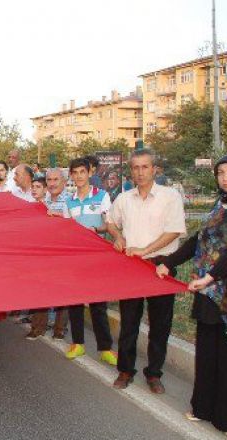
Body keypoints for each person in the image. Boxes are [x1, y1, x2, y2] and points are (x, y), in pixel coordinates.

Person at [156, 153, 227, 436]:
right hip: (208, 292)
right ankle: (204, 407)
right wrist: (168, 262)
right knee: (208, 351)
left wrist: (209, 276)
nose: (226, 177)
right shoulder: (220, 203)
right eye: (221, 172)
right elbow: (198, 241)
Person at [106, 149, 186, 394]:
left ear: (154, 170)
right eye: (135, 168)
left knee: (160, 324)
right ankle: (125, 370)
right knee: (129, 321)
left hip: (161, 264)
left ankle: (154, 374)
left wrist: (146, 249)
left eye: (145, 167)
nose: (140, 172)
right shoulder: (124, 198)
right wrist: (118, 237)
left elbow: (174, 231)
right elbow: (110, 222)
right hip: (132, 265)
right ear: (130, 171)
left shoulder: (170, 196)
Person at [64, 158, 117, 366]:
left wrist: (96, 230)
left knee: (98, 304)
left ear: (89, 173)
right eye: (74, 172)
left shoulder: (102, 196)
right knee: (75, 302)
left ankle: (105, 348)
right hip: (76, 259)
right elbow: (67, 229)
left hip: (97, 258)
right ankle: (78, 343)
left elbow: (108, 224)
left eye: (82, 172)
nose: (78, 176)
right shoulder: (70, 201)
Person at [26, 170, 70, 340]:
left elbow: (74, 224)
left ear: (64, 181)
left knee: (64, 292)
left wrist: (59, 218)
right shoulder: (40, 203)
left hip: (64, 253)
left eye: (56, 179)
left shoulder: (70, 201)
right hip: (43, 253)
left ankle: (59, 329)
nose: (52, 183)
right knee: (40, 289)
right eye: (49, 180)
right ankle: (37, 328)